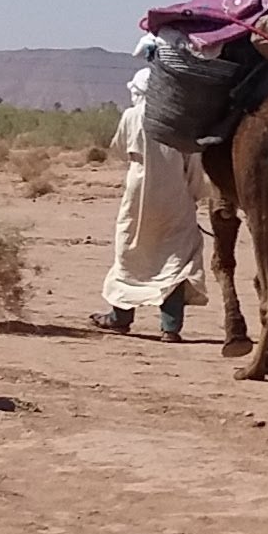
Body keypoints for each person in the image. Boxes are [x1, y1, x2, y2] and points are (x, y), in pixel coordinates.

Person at [94, 32, 202, 337]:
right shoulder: (180, 117)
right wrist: (192, 195)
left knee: (131, 251)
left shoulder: (130, 116)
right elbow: (193, 164)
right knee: (176, 257)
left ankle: (120, 317)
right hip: (176, 195)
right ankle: (171, 328)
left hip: (138, 193)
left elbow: (119, 151)